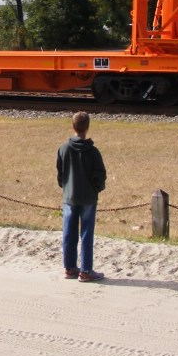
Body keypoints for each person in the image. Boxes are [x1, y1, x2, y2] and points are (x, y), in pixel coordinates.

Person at [56, 111, 107, 282]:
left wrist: (65, 187)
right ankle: (86, 270)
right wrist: (96, 189)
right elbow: (100, 175)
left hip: (70, 197)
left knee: (69, 232)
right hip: (88, 198)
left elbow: (60, 174)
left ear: (73, 126)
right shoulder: (93, 152)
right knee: (86, 233)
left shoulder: (63, 149)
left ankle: (69, 268)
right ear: (87, 127)